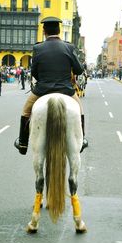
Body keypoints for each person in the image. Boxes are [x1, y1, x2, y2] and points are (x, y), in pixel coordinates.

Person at [14, 16, 88, 155]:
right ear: (59, 30)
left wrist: (44, 80)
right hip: (66, 90)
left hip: (42, 90)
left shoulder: (37, 48)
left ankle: (23, 144)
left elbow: (34, 72)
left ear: (44, 31)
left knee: (26, 111)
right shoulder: (69, 47)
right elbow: (78, 70)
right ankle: (82, 139)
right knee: (79, 110)